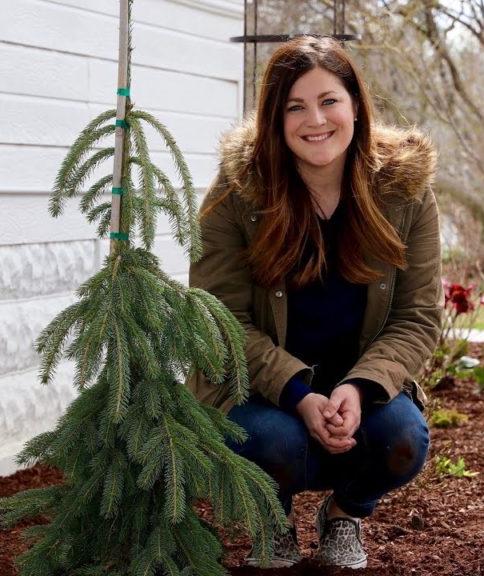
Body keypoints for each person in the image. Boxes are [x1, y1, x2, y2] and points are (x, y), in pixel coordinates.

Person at [187, 35, 441, 570]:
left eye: (329, 101)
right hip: (259, 390)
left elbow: (417, 316)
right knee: (270, 441)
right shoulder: (238, 193)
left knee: (402, 439)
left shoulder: (405, 192)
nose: (316, 120)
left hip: (359, 385)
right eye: (295, 107)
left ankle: (344, 515)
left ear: (356, 107)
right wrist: (299, 393)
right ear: (274, 119)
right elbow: (219, 319)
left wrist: (360, 386)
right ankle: (272, 520)